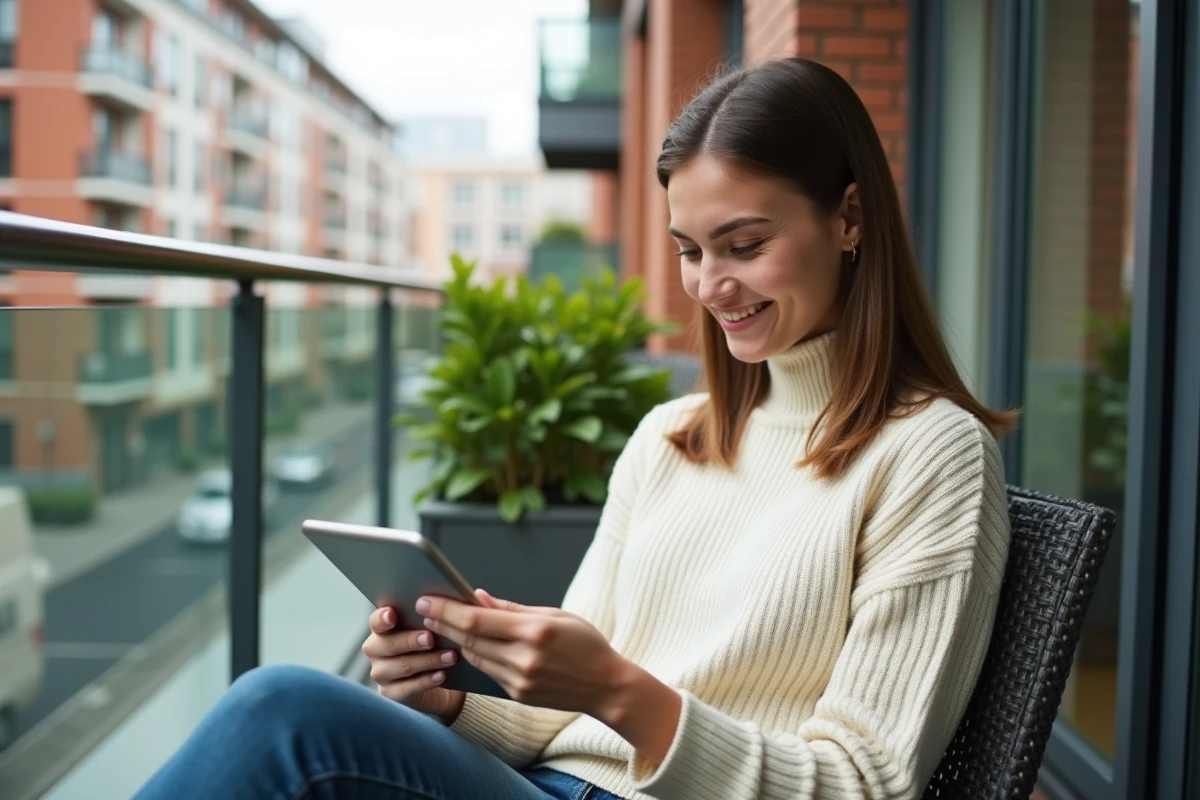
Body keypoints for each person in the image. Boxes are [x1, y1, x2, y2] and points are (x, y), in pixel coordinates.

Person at [135, 57, 1015, 800]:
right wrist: (451, 707)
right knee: (291, 720)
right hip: (559, 783)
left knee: (283, 717)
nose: (709, 286)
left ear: (850, 218)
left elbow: (864, 783)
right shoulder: (672, 439)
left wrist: (619, 692)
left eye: (743, 245)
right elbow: (565, 719)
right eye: (688, 250)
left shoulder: (929, 454)